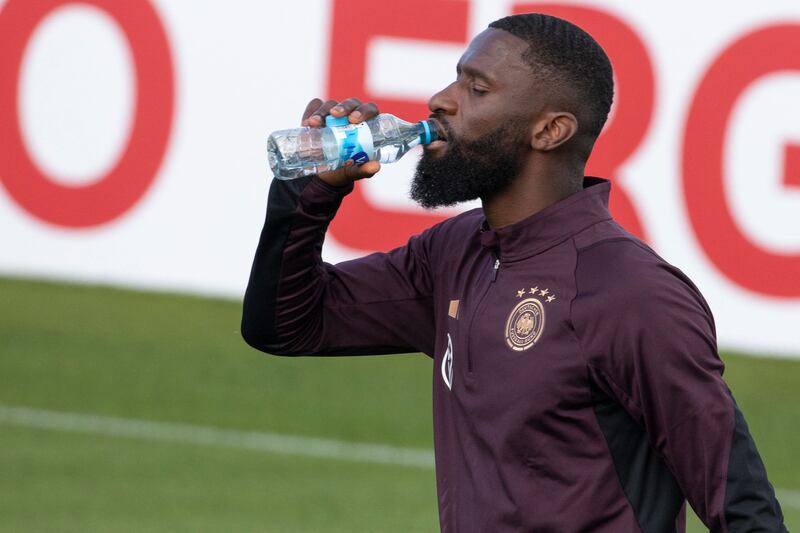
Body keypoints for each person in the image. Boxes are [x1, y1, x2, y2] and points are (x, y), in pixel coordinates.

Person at [241, 13, 786, 532]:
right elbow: (286, 324)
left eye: (476, 90)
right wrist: (311, 189)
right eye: (457, 79)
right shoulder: (454, 252)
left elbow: (738, 503)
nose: (440, 101)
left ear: (550, 131)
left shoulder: (629, 293)